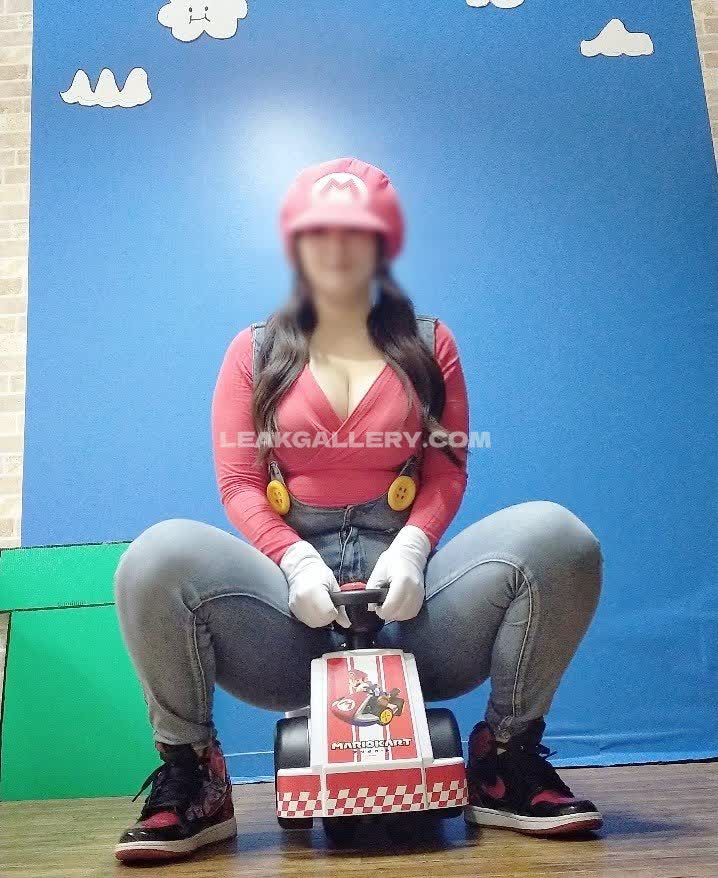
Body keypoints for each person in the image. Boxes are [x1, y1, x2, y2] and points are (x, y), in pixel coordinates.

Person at [112, 156, 604, 863]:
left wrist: (413, 547)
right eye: (320, 231)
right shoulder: (252, 351)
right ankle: (195, 776)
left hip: (414, 615)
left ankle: (506, 759)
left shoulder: (432, 345)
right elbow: (240, 484)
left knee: (559, 538)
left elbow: (446, 471)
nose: (337, 248)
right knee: (155, 558)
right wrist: (295, 561)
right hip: (289, 622)